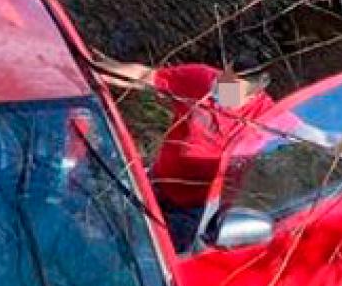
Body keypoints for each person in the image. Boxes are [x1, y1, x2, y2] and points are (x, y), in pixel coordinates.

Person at [93, 56, 274, 252]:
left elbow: (302, 134)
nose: (219, 87)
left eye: (230, 89)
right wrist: (98, 70)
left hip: (196, 210)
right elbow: (145, 77)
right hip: (156, 183)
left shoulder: (267, 117)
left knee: (151, 255)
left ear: (252, 96)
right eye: (222, 77)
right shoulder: (200, 79)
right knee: (111, 234)